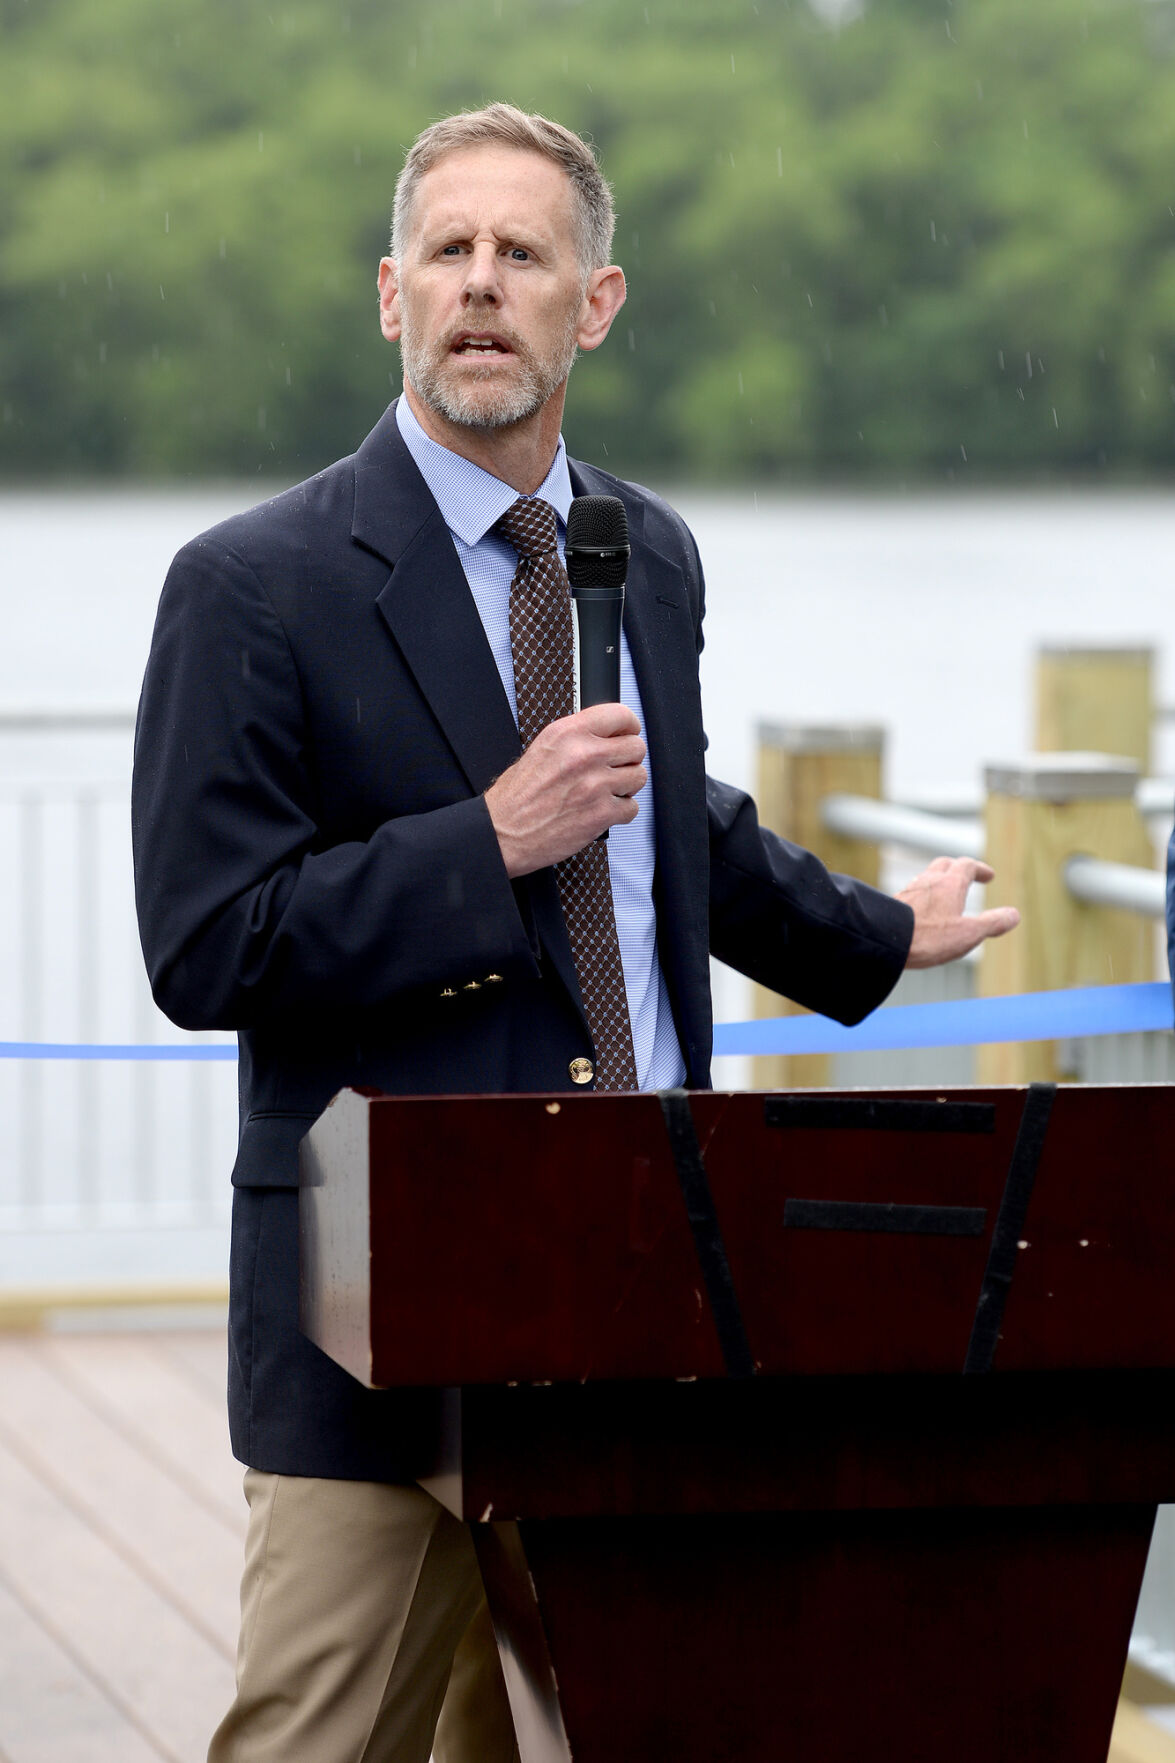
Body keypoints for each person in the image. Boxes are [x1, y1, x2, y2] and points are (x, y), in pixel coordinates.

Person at [132, 103, 1019, 1763]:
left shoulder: (642, 553)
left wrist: (869, 931)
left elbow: (666, 824)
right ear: (387, 295)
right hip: (381, 1324)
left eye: (522, 254)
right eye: (449, 253)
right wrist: (488, 840)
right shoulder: (253, 586)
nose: (482, 285)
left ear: (593, 304)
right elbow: (210, 946)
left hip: (641, 1290)